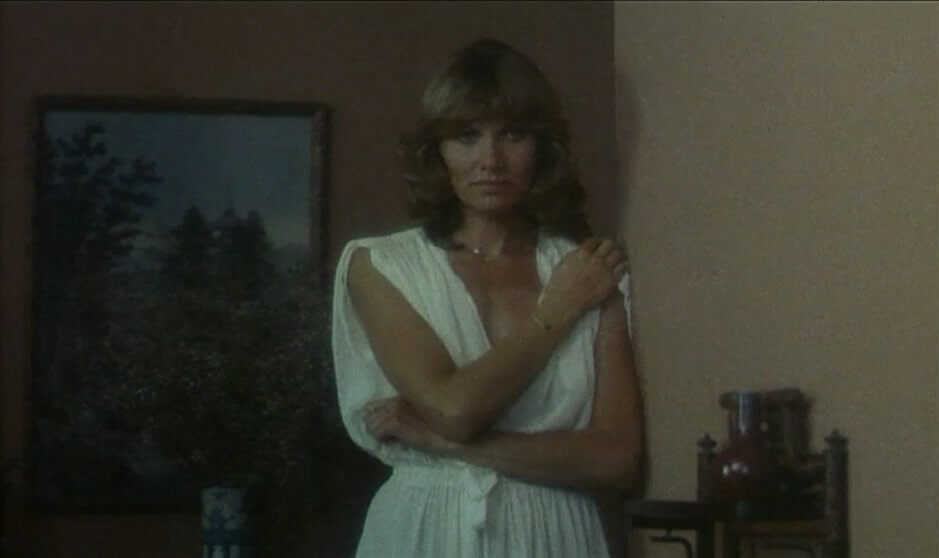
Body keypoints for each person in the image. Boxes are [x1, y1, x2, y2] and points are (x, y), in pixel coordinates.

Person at [331, 38, 643, 558]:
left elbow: (616, 460)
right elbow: (455, 410)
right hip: (426, 529)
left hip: (555, 533)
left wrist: (444, 446)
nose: (491, 160)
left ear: (542, 148)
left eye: (513, 134)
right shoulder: (382, 265)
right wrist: (556, 312)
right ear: (438, 151)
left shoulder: (587, 271)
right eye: (467, 136)